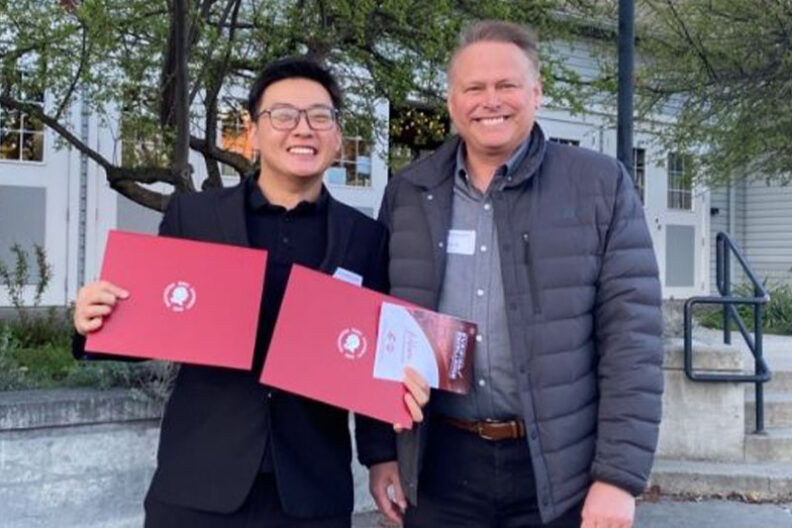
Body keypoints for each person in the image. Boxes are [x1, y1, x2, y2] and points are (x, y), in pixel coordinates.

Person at [73, 57, 428, 528]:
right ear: (253, 131)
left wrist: (382, 459)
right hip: (198, 484)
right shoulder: (194, 218)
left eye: (320, 117)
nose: (303, 129)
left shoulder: (364, 238)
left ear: (338, 135)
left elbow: (371, 360)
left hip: (312, 490)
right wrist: (90, 322)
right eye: (283, 115)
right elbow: (153, 321)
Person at [371, 20, 663, 528]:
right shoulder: (409, 194)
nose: (491, 101)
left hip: (558, 471)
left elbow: (633, 339)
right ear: (451, 100)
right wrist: (381, 453)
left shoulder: (600, 186)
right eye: (474, 88)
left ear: (537, 91)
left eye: (507, 85)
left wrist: (617, 477)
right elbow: (378, 324)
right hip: (441, 466)